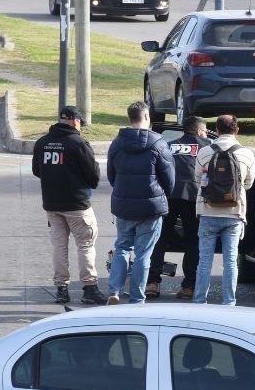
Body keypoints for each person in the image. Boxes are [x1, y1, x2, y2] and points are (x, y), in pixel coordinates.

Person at [32, 106, 106, 305]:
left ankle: (61, 289)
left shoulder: (42, 142)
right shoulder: (79, 143)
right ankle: (89, 288)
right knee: (86, 244)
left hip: (51, 204)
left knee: (59, 246)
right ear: (75, 121)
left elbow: (37, 170)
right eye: (81, 123)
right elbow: (93, 176)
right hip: (77, 204)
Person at [106, 101, 174, 305]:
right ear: (146, 117)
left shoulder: (117, 142)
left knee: (122, 248)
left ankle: (115, 291)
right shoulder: (158, 143)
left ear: (130, 118)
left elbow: (111, 175)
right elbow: (169, 179)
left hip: (124, 206)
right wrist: (162, 195)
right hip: (150, 208)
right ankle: (137, 298)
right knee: (144, 253)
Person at [193, 114, 255, 306]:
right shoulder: (246, 154)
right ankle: (229, 301)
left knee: (204, 261)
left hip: (208, 211)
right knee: (230, 260)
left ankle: (199, 300)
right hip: (234, 213)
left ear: (217, 130)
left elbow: (197, 180)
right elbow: (248, 183)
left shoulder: (204, 153)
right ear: (236, 130)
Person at [147, 116, 210, 300]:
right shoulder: (207, 146)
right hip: (193, 197)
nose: (205, 133)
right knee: (193, 241)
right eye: (205, 130)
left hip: (168, 195)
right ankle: (189, 286)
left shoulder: (169, 144)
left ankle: (152, 283)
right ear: (199, 131)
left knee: (160, 238)